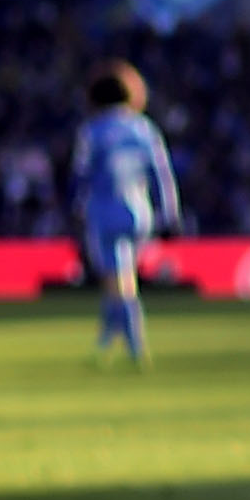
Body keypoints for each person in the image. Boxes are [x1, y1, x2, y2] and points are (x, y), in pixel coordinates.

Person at [73, 61, 180, 370]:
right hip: (139, 212)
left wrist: (73, 207)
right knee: (119, 277)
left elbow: (81, 174)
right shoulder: (144, 128)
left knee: (118, 280)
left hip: (104, 211)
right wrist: (169, 213)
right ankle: (106, 342)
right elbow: (161, 174)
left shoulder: (92, 131)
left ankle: (134, 342)